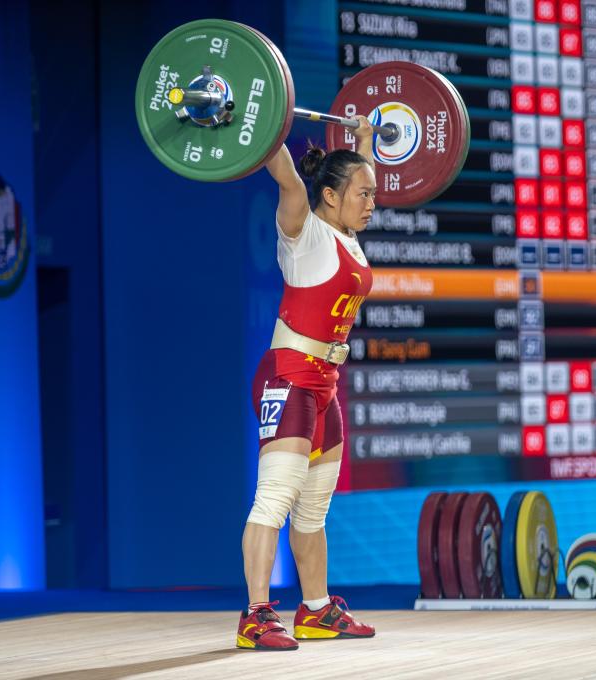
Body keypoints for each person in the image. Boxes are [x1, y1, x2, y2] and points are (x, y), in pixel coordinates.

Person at [237, 117, 378, 651]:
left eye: (372, 194)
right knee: (274, 499)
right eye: (363, 195)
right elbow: (285, 172)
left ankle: (316, 610)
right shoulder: (304, 231)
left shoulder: (348, 238)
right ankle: (255, 615)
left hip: (325, 384)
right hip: (289, 378)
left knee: (314, 508)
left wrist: (364, 142)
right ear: (330, 196)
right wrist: (262, 117)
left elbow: (358, 176)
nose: (372, 203)